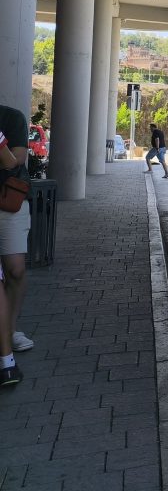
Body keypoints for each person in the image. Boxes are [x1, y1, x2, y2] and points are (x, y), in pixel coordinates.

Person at [1, 102, 33, 385]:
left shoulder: (11, 118)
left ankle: (10, 331)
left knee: (15, 270)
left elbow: (15, 161)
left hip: (7, 204)